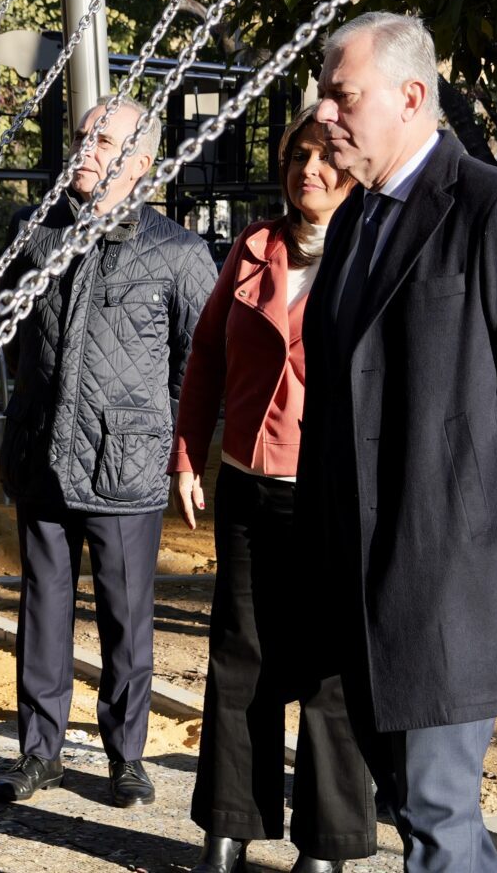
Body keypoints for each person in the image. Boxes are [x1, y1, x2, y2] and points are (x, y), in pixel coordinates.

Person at [297, 13, 497, 872]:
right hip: (361, 583)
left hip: (453, 587)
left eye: (342, 95)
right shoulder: (355, 221)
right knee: (416, 809)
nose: (323, 113)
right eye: (323, 94)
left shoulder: (496, 210)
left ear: (410, 97)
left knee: (435, 814)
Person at [0, 94, 216, 808]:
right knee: (42, 611)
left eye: (104, 140)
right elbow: (12, 339)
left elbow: (201, 363)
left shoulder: (179, 253)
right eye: (83, 136)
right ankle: (39, 753)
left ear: (141, 162)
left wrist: (172, 444)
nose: (85, 148)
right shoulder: (33, 232)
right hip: (42, 457)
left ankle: (127, 757)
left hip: (125, 466)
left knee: (126, 620)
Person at [169, 108, 375, 873]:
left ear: (353, 170)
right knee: (239, 657)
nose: (308, 169)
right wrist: (187, 455)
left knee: (328, 670)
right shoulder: (253, 247)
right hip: (248, 488)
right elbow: (205, 356)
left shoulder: (370, 253)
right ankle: (229, 828)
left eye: (325, 157)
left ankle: (325, 845)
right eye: (297, 156)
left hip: (332, 495)